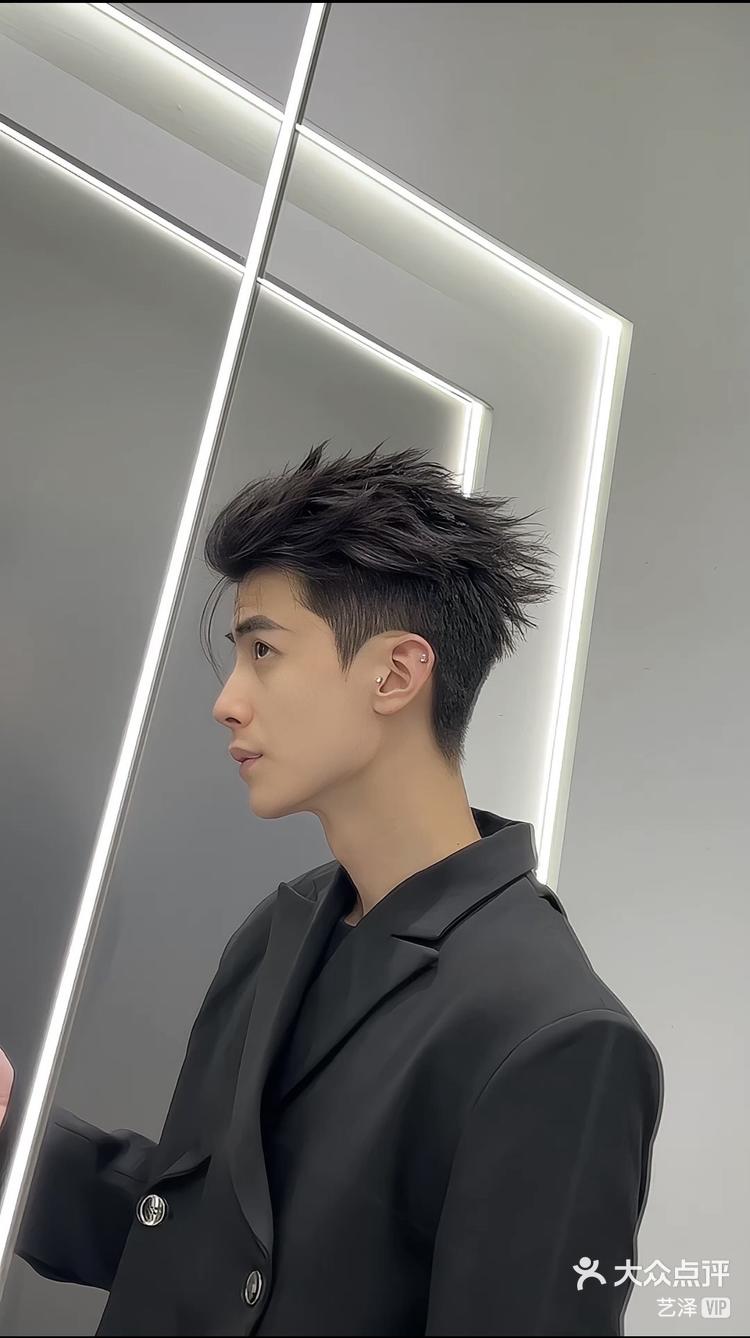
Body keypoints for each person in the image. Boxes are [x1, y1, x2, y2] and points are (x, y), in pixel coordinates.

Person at [0, 440, 663, 1335]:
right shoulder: (286, 925)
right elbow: (200, 1251)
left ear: (396, 673)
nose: (228, 700)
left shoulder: (558, 1038)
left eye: (263, 650)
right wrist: (12, 1133)